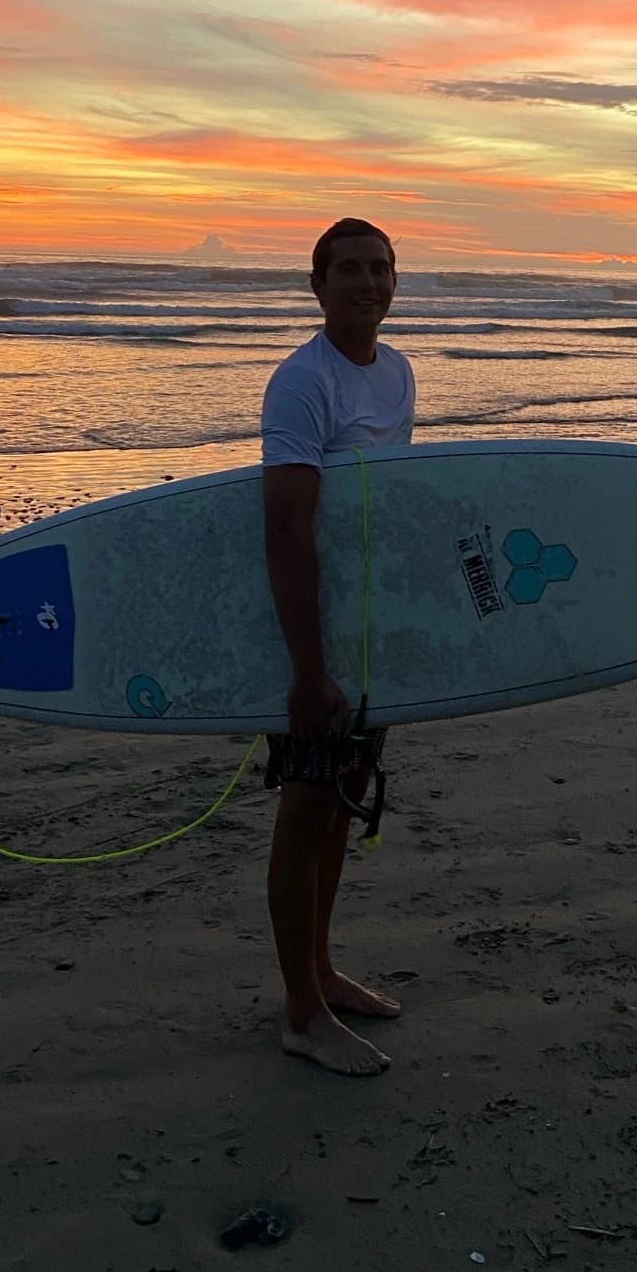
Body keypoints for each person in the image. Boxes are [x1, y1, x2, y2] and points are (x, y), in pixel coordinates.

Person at [260, 217, 416, 1075]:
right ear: (316, 284)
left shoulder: (396, 371)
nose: (367, 281)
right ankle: (299, 1011)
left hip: (366, 631)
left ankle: (322, 972)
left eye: (380, 268)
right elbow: (286, 526)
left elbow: (385, 514)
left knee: (342, 798)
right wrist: (305, 668)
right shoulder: (301, 383)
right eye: (349, 268)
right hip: (313, 634)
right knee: (305, 806)